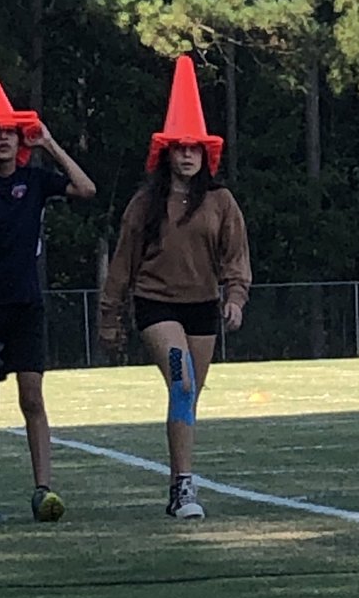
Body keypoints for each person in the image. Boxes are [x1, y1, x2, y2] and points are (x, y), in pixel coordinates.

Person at [98, 55, 250, 519]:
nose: (187, 155)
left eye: (194, 149)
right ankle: (185, 487)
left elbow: (236, 256)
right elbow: (122, 263)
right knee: (182, 384)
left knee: (188, 396)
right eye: (180, 148)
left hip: (202, 308)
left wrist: (236, 297)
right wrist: (109, 316)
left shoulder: (221, 202)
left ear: (205, 155)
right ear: (166, 153)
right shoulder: (145, 203)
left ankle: (176, 483)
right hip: (156, 305)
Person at [0, 48, 96, 525]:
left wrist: (49, 144)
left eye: (9, 131)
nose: (3, 138)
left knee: (32, 398)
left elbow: (86, 190)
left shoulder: (34, 180)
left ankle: (43, 490)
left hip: (26, 305)